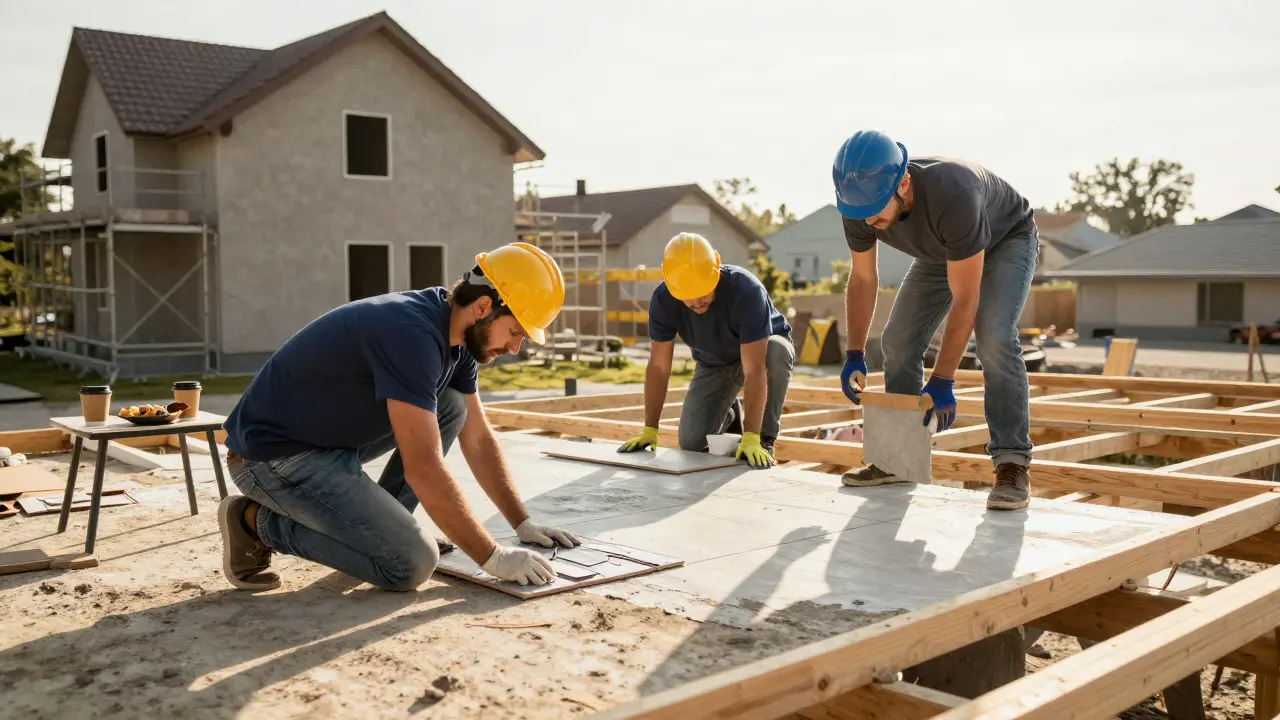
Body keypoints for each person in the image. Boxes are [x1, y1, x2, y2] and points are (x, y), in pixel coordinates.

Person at [217, 242, 583, 592]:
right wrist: (493, 556)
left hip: (326, 444)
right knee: (410, 563)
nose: (515, 347)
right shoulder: (411, 335)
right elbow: (423, 467)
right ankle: (252, 523)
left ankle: (389, 530)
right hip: (272, 457)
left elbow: (478, 438)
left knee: (452, 404)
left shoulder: (458, 337)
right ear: (483, 306)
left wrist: (521, 522)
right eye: (515, 332)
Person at [832, 130, 1039, 510]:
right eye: (861, 212)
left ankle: (1012, 463)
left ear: (903, 184)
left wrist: (943, 379)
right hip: (942, 249)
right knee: (897, 340)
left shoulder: (954, 192)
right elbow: (862, 279)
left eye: (875, 209)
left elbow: (966, 298)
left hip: (1005, 240)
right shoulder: (858, 206)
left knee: (994, 336)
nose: (869, 220)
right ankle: (898, 460)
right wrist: (854, 353)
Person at [616, 232, 795, 469]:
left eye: (703, 292)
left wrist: (752, 436)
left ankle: (765, 438)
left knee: (777, 350)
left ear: (716, 269)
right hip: (714, 362)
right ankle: (730, 411)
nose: (697, 302)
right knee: (692, 443)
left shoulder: (746, 290)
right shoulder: (663, 300)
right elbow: (659, 367)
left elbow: (754, 369)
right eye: (688, 298)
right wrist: (650, 429)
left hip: (760, 354)